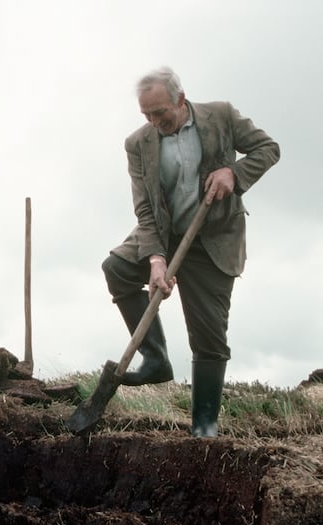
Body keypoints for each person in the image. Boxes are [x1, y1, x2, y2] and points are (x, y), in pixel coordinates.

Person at [101, 66, 279, 437]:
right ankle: (155, 358)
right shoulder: (138, 143)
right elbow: (146, 210)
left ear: (180, 100)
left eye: (160, 112)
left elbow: (268, 148)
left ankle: (204, 426)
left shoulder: (221, 116)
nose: (154, 121)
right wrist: (156, 260)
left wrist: (234, 173)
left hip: (213, 238)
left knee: (209, 336)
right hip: (164, 233)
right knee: (116, 267)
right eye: (146, 115)